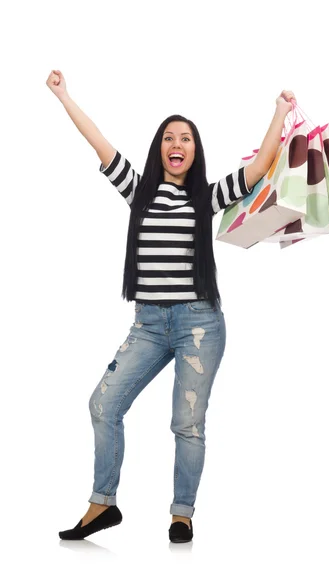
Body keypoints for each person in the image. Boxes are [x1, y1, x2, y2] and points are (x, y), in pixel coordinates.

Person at [47, 70, 296, 543]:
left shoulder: (206, 197)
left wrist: (280, 111)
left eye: (185, 138)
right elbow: (98, 141)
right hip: (147, 324)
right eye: (168, 137)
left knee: (187, 423)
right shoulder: (137, 192)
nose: (176, 144)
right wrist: (64, 96)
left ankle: (182, 514)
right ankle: (102, 504)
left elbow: (263, 164)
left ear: (194, 151)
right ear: (160, 148)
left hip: (198, 324)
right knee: (103, 404)